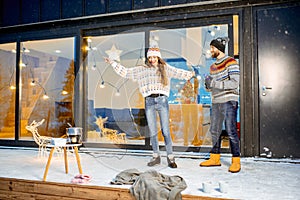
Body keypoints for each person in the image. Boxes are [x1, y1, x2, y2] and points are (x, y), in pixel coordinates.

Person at [105, 47, 194, 168]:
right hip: (149, 101)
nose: (152, 59)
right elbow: (125, 72)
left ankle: (170, 157)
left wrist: (191, 73)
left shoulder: (165, 68)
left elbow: (179, 73)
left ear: (158, 57)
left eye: (154, 57)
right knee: (152, 131)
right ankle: (156, 156)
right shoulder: (142, 70)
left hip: (162, 100)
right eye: (150, 57)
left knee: (165, 131)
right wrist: (113, 63)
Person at [200, 37, 241, 173]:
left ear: (219, 49)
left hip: (229, 100)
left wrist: (215, 84)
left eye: (213, 48)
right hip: (216, 101)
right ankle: (215, 158)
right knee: (214, 131)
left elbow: (235, 83)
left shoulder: (231, 62)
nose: (211, 50)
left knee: (231, 130)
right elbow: (212, 87)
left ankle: (236, 160)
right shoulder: (212, 67)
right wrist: (207, 85)